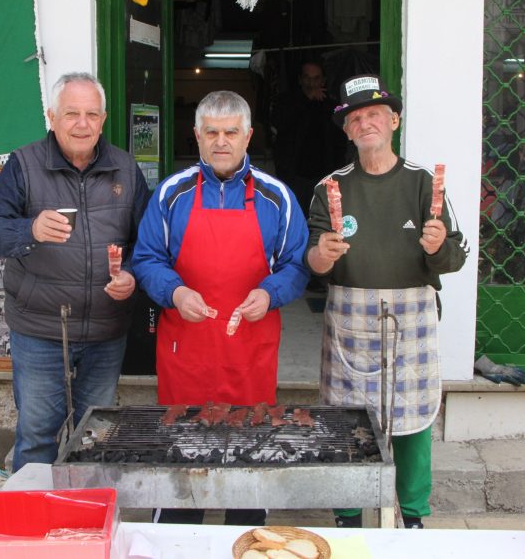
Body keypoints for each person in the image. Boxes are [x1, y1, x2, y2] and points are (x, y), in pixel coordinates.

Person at [132, 90, 310, 526]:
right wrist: (174, 292)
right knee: (182, 458)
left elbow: (296, 264)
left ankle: (244, 530)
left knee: (248, 460)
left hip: (249, 349)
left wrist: (269, 293)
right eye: (211, 132)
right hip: (186, 352)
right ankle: (177, 534)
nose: (221, 141)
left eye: (231, 132)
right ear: (197, 136)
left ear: (249, 136)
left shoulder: (277, 198)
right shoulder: (172, 194)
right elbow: (146, 258)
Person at [305, 74, 469, 530]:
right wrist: (322, 255)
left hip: (411, 319)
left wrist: (438, 247)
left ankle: (413, 517)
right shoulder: (330, 188)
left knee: (414, 426)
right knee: (347, 423)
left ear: (393, 120)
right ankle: (347, 515)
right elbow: (313, 263)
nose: (366, 123)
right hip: (350, 323)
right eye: (355, 118)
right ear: (347, 130)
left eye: (374, 113)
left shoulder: (421, 184)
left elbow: (456, 255)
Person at [0, 72, 149, 472]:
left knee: (94, 439)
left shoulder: (125, 168)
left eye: (91, 114)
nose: (82, 124)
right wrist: (30, 229)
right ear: (51, 116)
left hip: (106, 332)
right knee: (37, 437)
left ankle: (85, 525)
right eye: (72, 113)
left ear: (103, 120)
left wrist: (133, 275)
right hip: (41, 331)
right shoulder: (23, 165)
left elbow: (149, 242)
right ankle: (33, 526)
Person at [271, 60, 348, 213]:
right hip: (293, 177)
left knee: (327, 218)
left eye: (316, 78)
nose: (312, 83)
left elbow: (340, 142)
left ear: (323, 81)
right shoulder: (286, 102)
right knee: (294, 217)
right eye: (307, 78)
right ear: (300, 80)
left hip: (326, 176)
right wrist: (307, 100)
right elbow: (280, 123)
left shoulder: (332, 107)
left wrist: (337, 172)